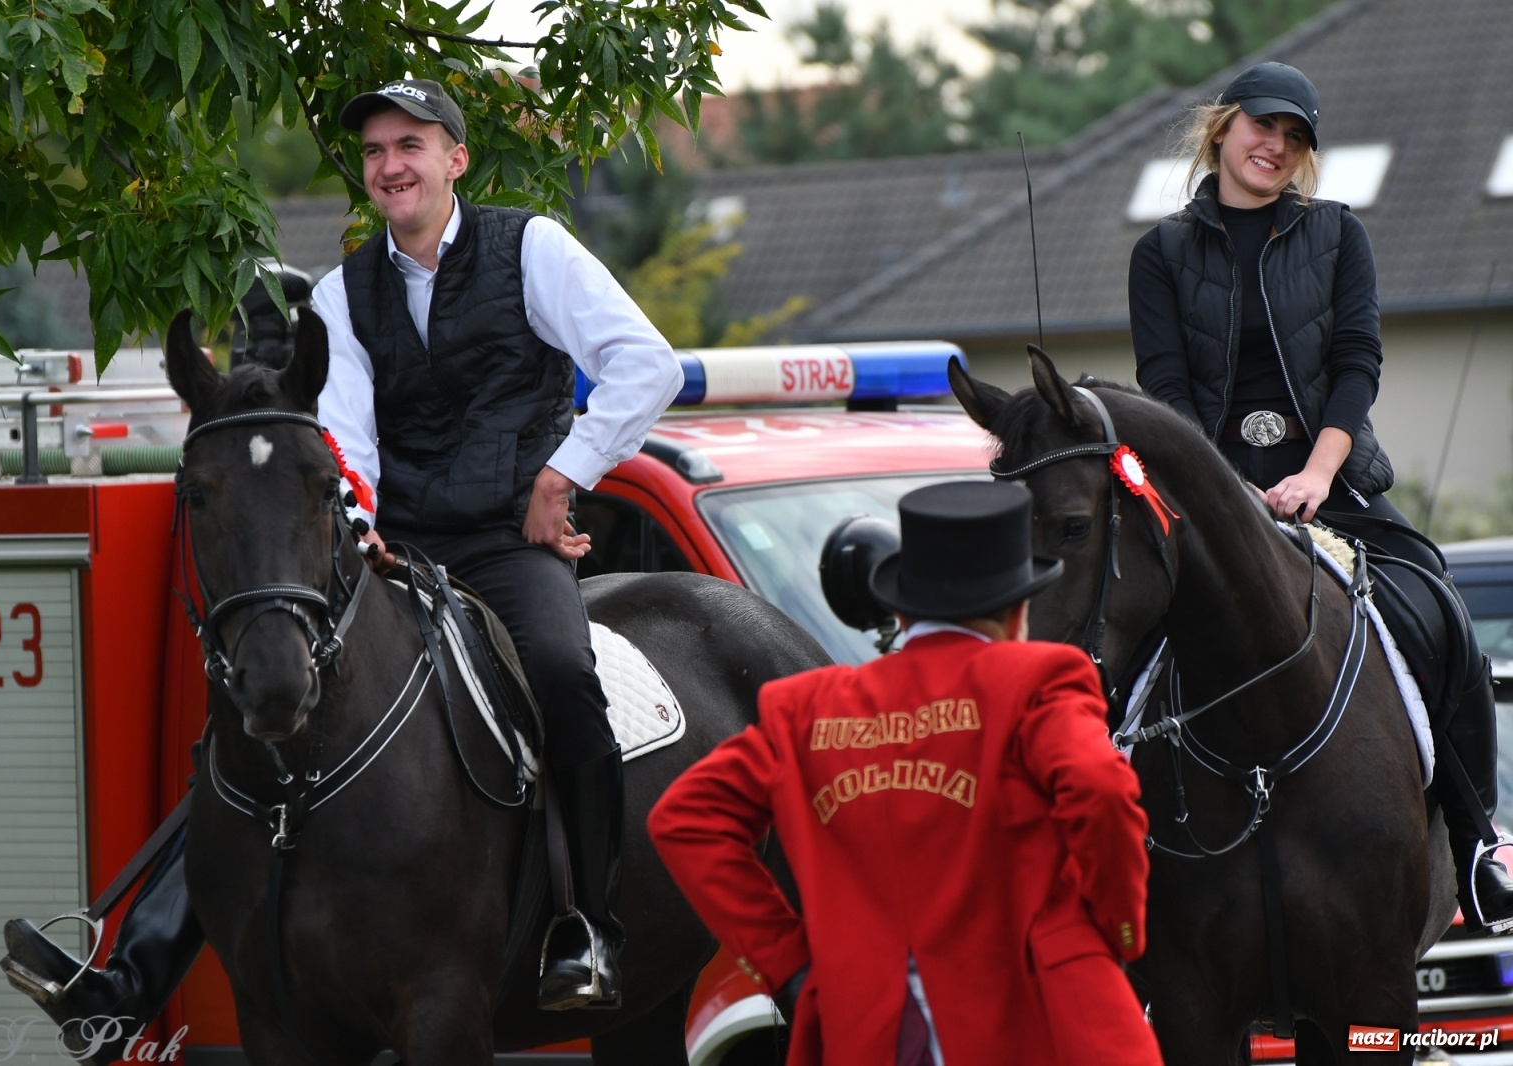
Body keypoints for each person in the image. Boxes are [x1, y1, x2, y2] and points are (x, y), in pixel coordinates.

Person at [0, 77, 683, 1047]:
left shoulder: (533, 249)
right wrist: (359, 531)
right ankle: (134, 968)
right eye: (373, 152)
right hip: (391, 549)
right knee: (257, 714)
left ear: (455, 158)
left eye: (410, 145)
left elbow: (644, 363)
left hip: (506, 545)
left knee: (568, 678)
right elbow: (348, 440)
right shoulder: (340, 293)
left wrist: (563, 475)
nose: (390, 165)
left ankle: (587, 927)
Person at [1127, 60, 1513, 930]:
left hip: (1329, 484)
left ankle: (1478, 838)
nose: (1276, 146)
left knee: (1440, 614)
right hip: (1209, 493)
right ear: (1223, 127)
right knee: (1113, 636)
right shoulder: (1161, 252)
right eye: (1264, 126)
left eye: (1295, 137)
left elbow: (1356, 365)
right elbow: (1165, 389)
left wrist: (1316, 475)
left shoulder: (1338, 235)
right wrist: (1227, 492)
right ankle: (1098, 849)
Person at [647, 481, 1164, 1066]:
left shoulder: (810, 708)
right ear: (1018, 610)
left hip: (867, 1031)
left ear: (901, 609)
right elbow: (1100, 790)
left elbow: (684, 819)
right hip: (1036, 1020)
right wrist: (1117, 927)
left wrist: (787, 962)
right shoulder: (1039, 679)